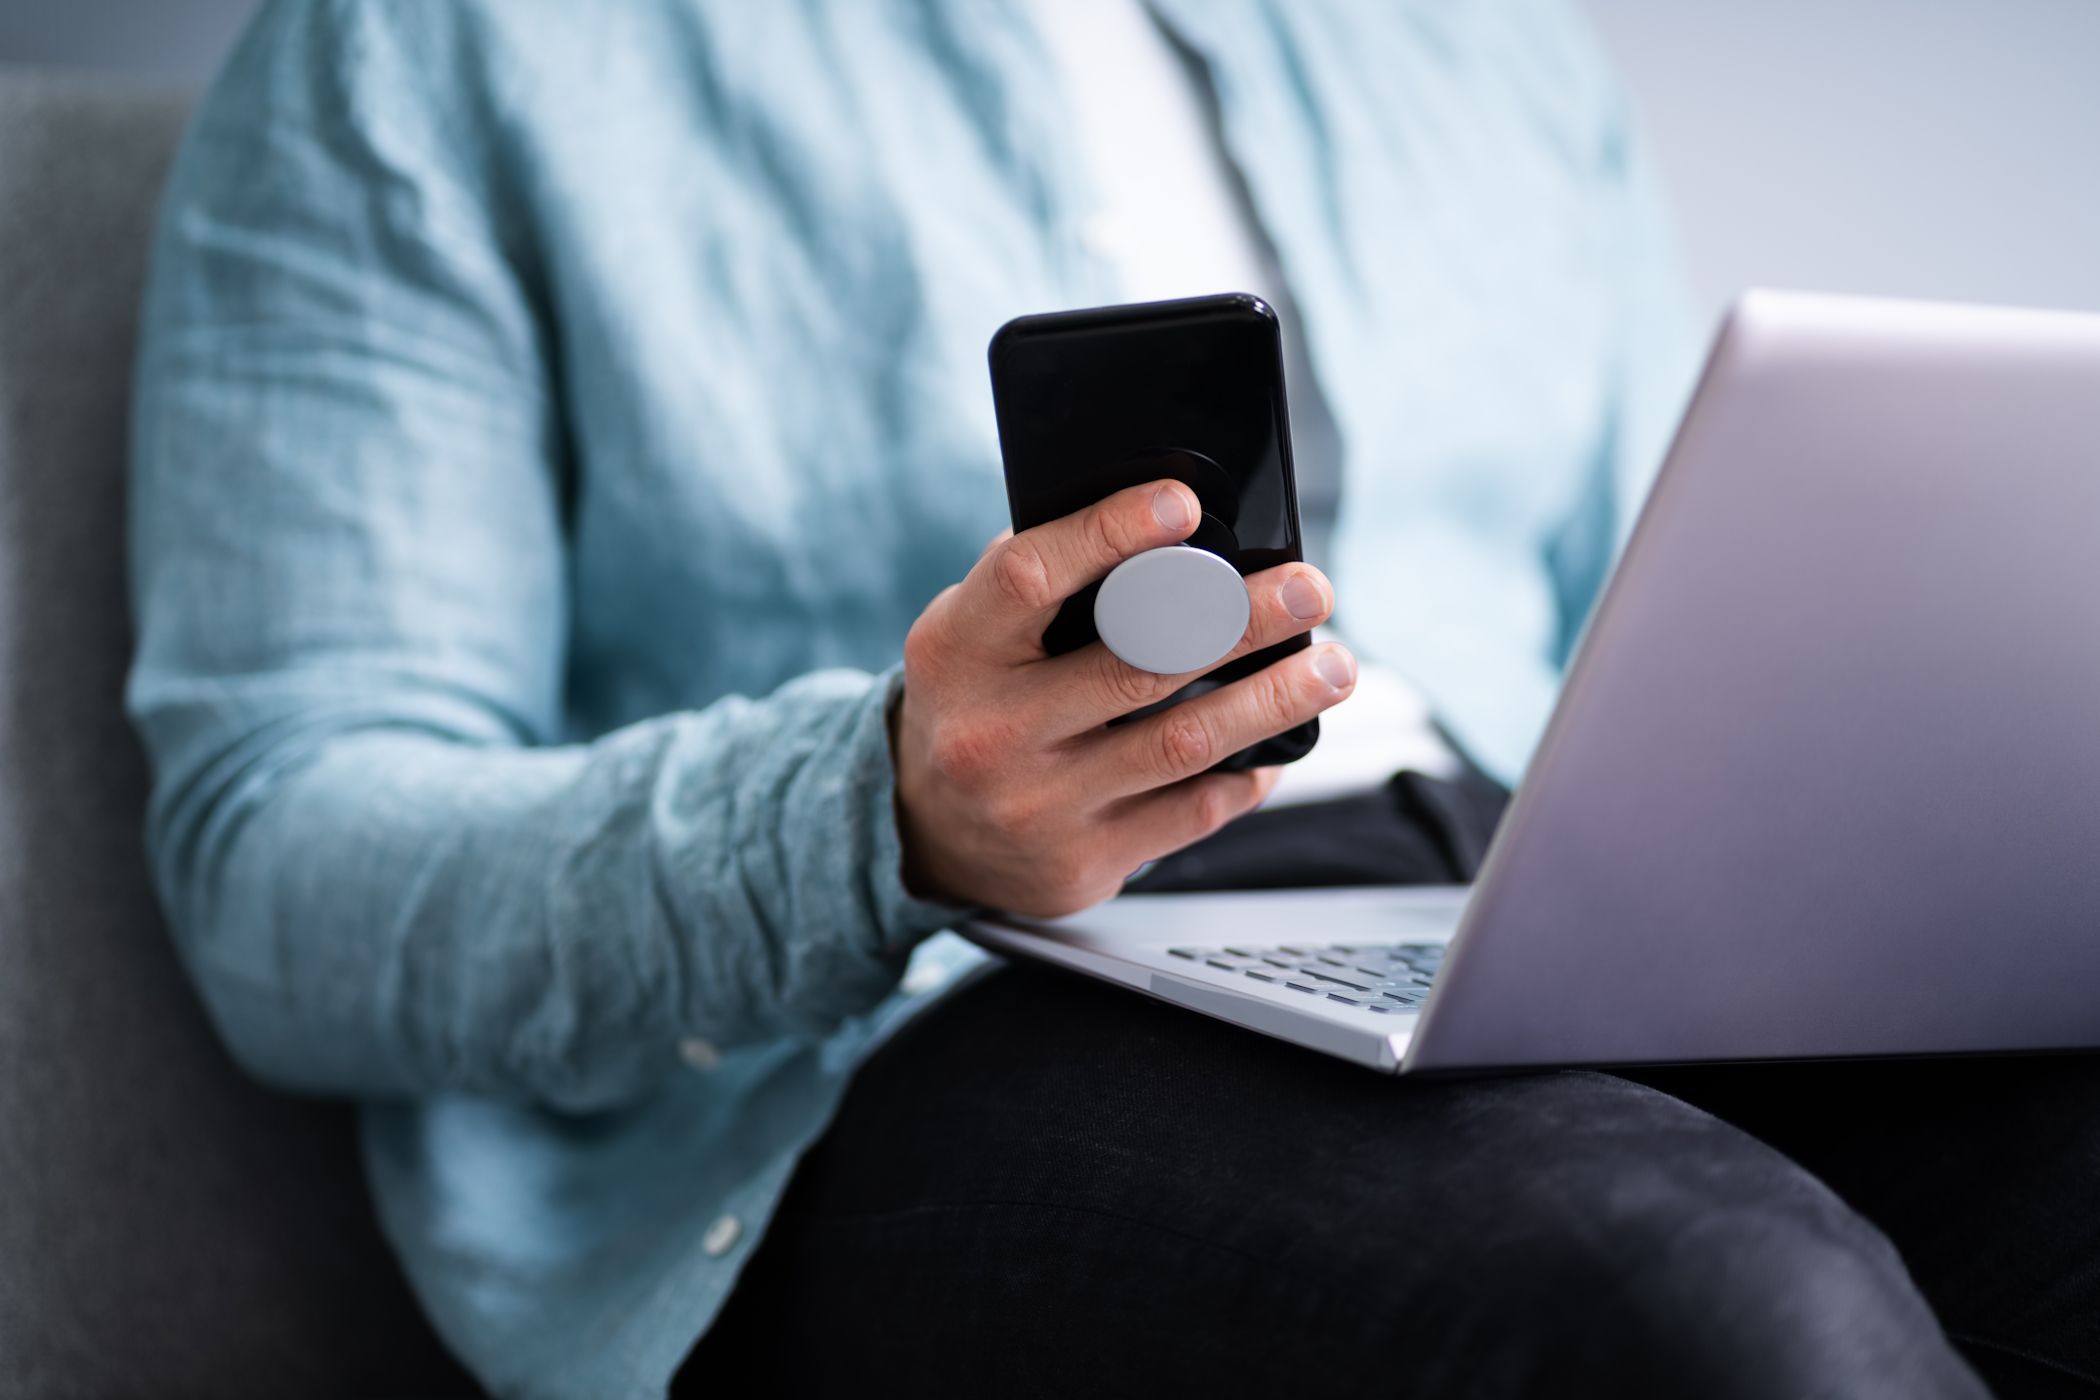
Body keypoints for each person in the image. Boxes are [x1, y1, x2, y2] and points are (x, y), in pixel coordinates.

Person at [126, 2, 2098, 1397]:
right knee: (1715, 1310)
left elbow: (1658, 617)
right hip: (949, 996)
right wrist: (872, 809)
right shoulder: (418, 46)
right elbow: (274, 857)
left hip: (1523, 899)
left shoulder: (1486, 42)